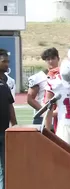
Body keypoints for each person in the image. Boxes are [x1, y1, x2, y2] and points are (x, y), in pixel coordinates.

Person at [27, 47, 59, 124]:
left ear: (58, 58)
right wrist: (44, 111)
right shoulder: (38, 77)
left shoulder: (63, 76)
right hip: (42, 116)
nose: (51, 61)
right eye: (48, 59)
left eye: (53, 58)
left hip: (59, 116)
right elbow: (30, 98)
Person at [0, 48, 17, 189]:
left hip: (4, 131)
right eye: (4, 61)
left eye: (8, 61)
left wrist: (15, 126)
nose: (7, 64)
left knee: (5, 167)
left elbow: (10, 106)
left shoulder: (5, 83)